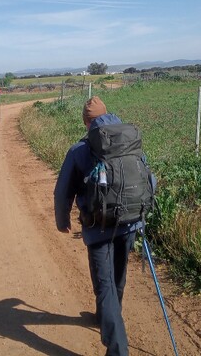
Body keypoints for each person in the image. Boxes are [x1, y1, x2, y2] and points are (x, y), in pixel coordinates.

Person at [53, 97, 142, 356]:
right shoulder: (128, 140)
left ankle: (117, 349)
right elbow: (149, 178)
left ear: (85, 121)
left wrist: (62, 221)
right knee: (118, 277)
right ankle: (106, 317)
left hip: (98, 228)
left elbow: (62, 192)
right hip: (130, 222)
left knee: (104, 285)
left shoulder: (80, 150)